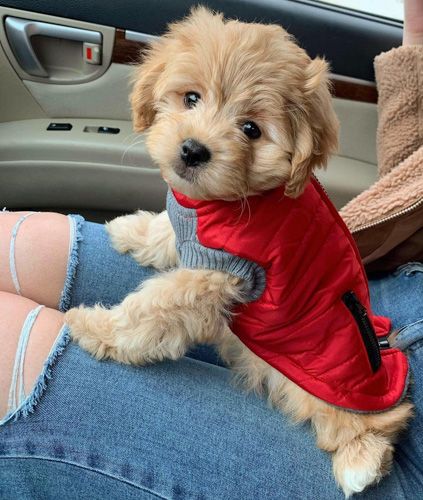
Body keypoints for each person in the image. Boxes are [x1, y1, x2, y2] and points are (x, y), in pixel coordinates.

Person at [1, 0, 422, 497]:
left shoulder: (260, 214)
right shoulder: (234, 199)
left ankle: (360, 429)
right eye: (192, 97)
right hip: (387, 287)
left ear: (298, 157)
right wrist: (415, 51)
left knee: (8, 344)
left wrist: (115, 331)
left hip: (337, 375)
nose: (198, 138)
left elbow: (193, 301)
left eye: (250, 130)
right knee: (17, 244)